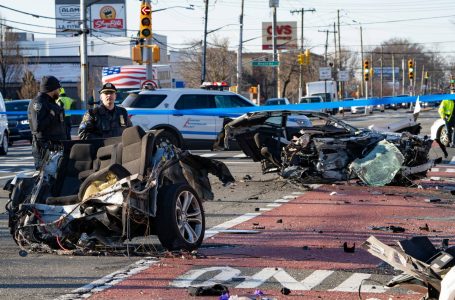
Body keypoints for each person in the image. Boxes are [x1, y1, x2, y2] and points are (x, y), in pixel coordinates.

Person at [28, 75, 67, 169]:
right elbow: (37, 127)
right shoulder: (38, 103)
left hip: (57, 148)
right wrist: (51, 115)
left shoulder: (51, 103)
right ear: (52, 89)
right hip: (45, 150)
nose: (59, 92)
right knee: (45, 180)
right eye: (58, 89)